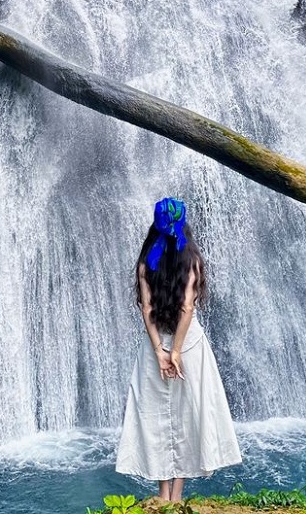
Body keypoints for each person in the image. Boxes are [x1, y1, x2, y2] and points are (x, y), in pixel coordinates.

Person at [116, 197, 242, 502]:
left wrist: (161, 350)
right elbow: (187, 307)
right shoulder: (191, 260)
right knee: (189, 416)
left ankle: (162, 494)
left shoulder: (147, 261)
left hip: (154, 346)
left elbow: (146, 307)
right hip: (191, 347)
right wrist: (176, 353)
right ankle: (177, 496)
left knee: (155, 417)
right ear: (183, 223)